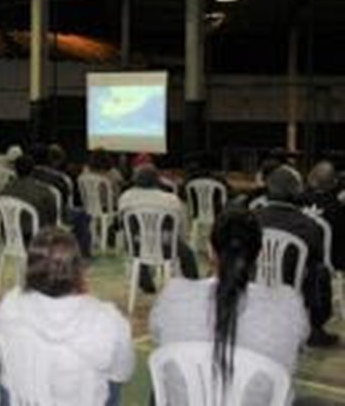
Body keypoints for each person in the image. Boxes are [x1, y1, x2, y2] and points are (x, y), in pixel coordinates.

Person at [150, 208, 309, 405]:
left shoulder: (173, 295)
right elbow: (296, 354)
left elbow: (157, 337)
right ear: (259, 253)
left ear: (210, 250)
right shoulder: (288, 304)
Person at [0, 229, 134, 406]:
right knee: (113, 382)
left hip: (24, 400)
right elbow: (122, 373)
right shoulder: (106, 319)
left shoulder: (10, 305)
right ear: (78, 270)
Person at [254, 165, 337, 346]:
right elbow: (318, 262)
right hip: (292, 290)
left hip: (255, 286)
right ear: (297, 192)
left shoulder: (251, 218)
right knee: (319, 271)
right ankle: (316, 329)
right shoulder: (308, 226)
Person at [117, 164, 199, 291]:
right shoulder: (171, 199)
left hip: (136, 245)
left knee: (137, 239)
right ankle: (195, 286)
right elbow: (181, 224)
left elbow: (121, 222)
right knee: (188, 253)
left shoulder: (125, 197)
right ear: (157, 181)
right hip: (166, 245)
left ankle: (145, 281)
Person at [0, 155, 58, 244]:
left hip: (10, 234)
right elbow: (53, 216)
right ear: (33, 170)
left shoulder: (5, 190)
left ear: (15, 170)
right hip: (35, 235)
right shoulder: (43, 191)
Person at [301, 160, 345, 270]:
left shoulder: (296, 203)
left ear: (310, 178)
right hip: (332, 270)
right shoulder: (338, 209)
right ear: (335, 182)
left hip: (301, 267)